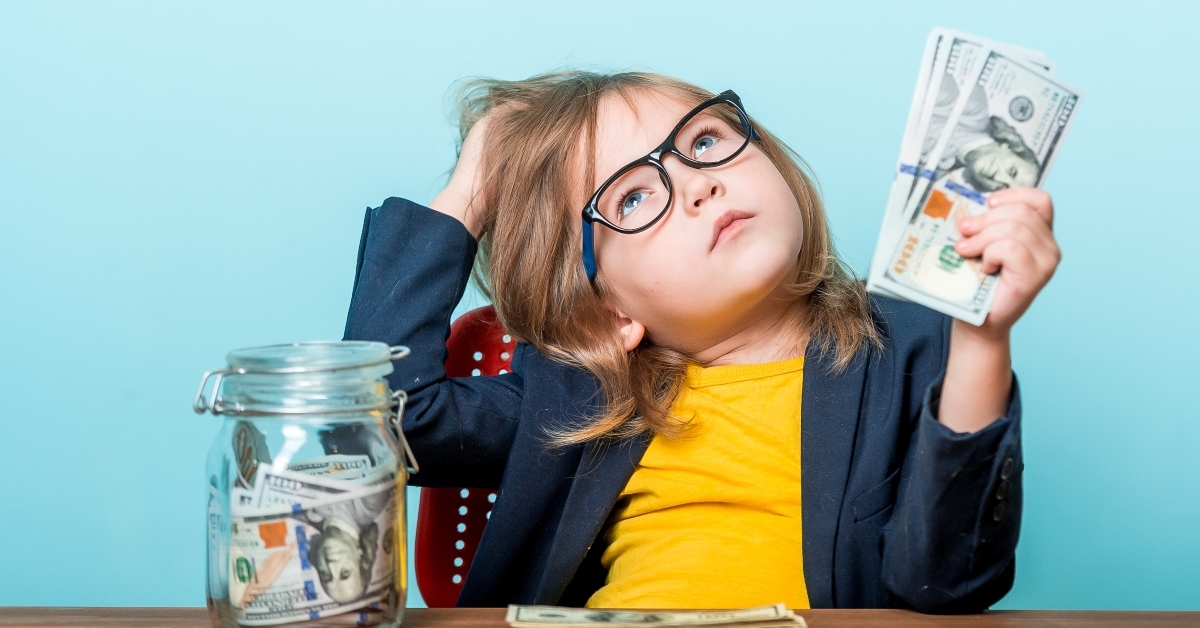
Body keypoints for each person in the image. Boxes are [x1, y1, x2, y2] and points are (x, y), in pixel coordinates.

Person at [343, 71, 1060, 612]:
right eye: (632, 197)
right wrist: (470, 192)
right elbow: (377, 419)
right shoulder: (572, 400)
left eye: (705, 142)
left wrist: (982, 338)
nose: (696, 185)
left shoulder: (908, 345)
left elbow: (949, 583)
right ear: (606, 315)